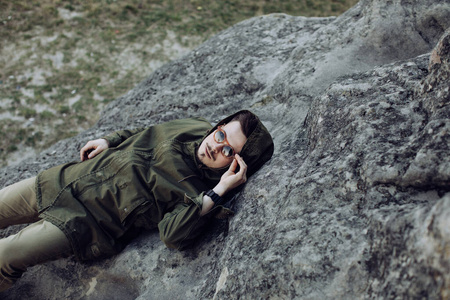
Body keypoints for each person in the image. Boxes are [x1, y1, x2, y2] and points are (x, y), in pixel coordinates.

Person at [0, 110, 274, 292]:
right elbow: (146, 131)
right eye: (221, 134)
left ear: (237, 164)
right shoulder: (194, 128)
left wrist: (221, 189)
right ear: (219, 125)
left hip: (83, 223)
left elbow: (173, 235)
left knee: (5, 255)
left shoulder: (200, 191)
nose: (216, 146)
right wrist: (110, 140)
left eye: (228, 150)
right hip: (64, 180)